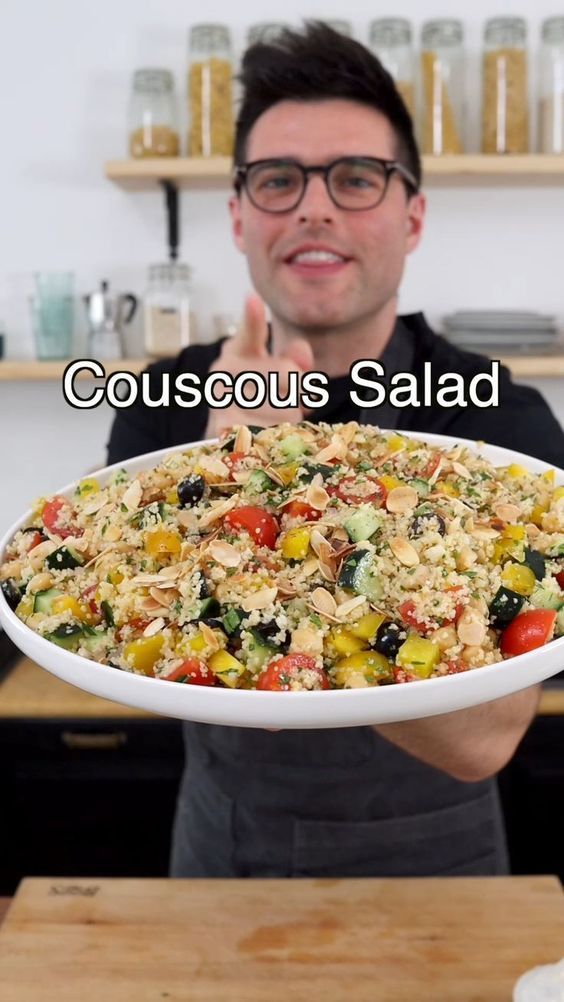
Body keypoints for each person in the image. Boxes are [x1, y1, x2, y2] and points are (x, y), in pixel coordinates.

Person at [107, 23, 564, 878]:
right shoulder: (161, 410)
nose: (314, 206)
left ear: (413, 215)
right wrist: (213, 483)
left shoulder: (502, 420)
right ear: (240, 216)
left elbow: (485, 738)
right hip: (223, 843)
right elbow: (121, 654)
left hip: (438, 854)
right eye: (279, 180)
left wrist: (286, 489)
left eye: (356, 178)